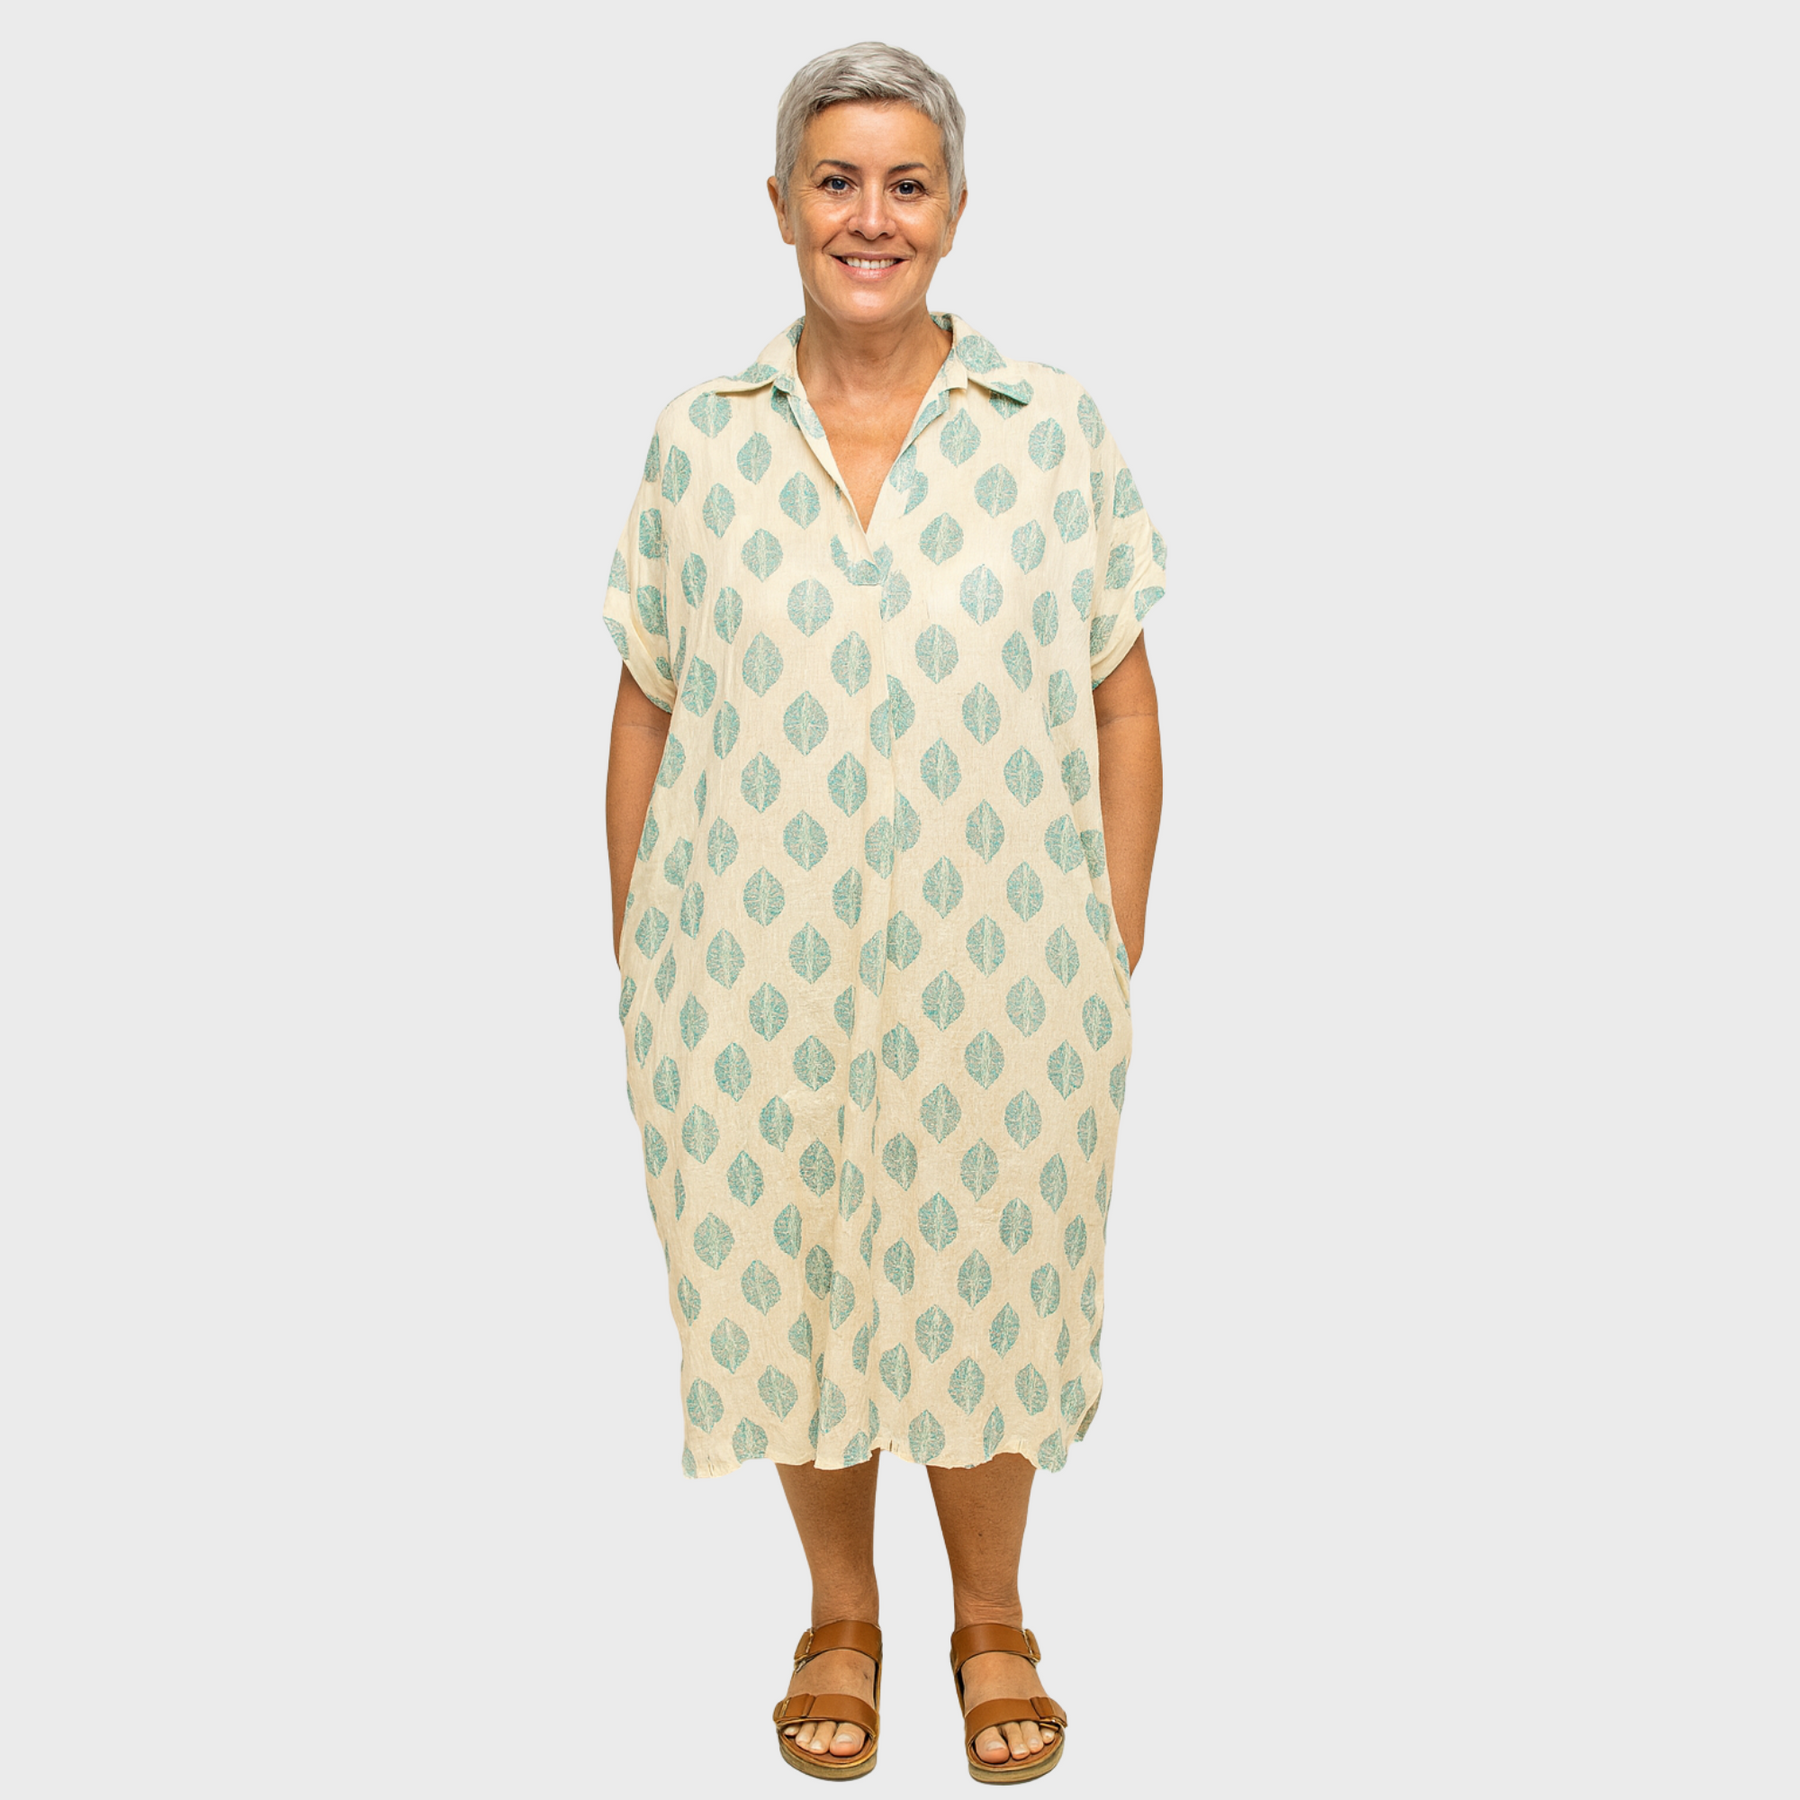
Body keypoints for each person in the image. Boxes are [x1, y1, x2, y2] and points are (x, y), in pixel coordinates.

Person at [602, 41, 1165, 1783]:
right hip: (742, 978)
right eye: (836, 182)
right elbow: (648, 705)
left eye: (905, 184)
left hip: (1012, 981)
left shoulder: (1049, 430)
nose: (871, 216)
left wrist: (1108, 941)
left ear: (956, 211)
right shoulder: (700, 444)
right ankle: (837, 1613)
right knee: (789, 1286)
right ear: (781, 207)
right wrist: (646, 956)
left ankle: (992, 1618)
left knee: (993, 1285)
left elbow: (1122, 701)